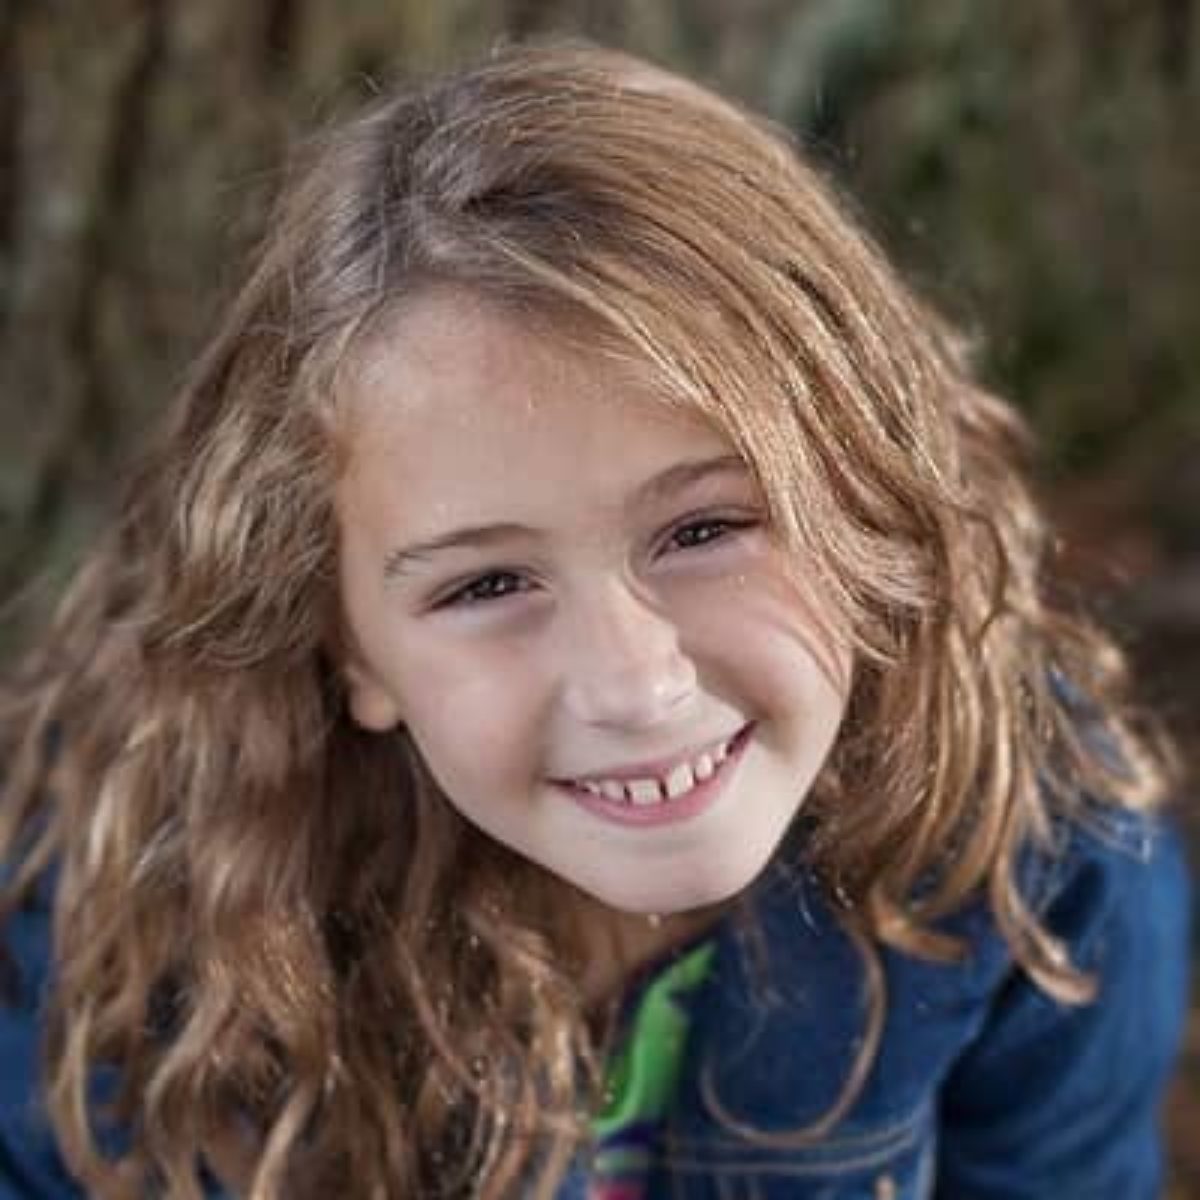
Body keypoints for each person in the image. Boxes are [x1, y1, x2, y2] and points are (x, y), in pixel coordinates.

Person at [0, 39, 1190, 1200]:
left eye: (705, 529)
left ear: (863, 489)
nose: (635, 684)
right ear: (350, 646)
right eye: (485, 586)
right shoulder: (152, 899)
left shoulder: (1044, 860)